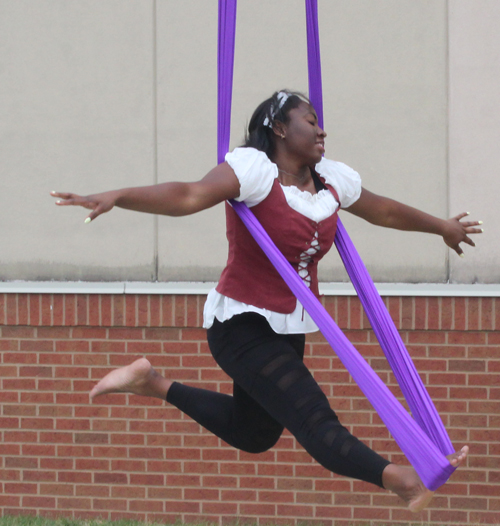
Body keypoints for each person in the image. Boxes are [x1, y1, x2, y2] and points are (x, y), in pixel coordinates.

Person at [52, 90, 479, 512]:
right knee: (314, 419)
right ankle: (401, 479)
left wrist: (440, 227)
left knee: (255, 434)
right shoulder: (254, 172)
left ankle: (151, 383)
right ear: (279, 128)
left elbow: (382, 210)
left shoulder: (329, 179)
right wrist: (119, 197)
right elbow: (188, 194)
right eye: (309, 122)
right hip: (241, 325)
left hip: (290, 326)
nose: (321, 130)